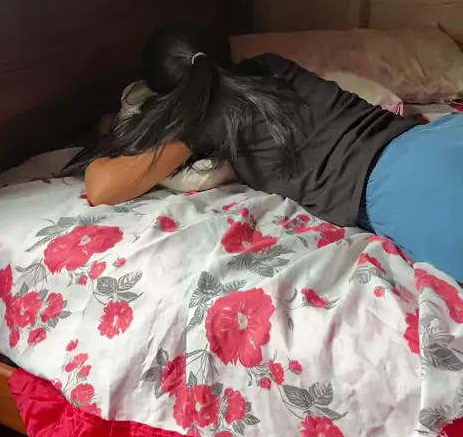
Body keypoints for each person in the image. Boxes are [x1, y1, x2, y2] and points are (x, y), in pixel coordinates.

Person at [84, 21, 463, 282]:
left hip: (398, 185)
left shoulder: (203, 118)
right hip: (433, 136)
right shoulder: (270, 65)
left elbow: (101, 188)